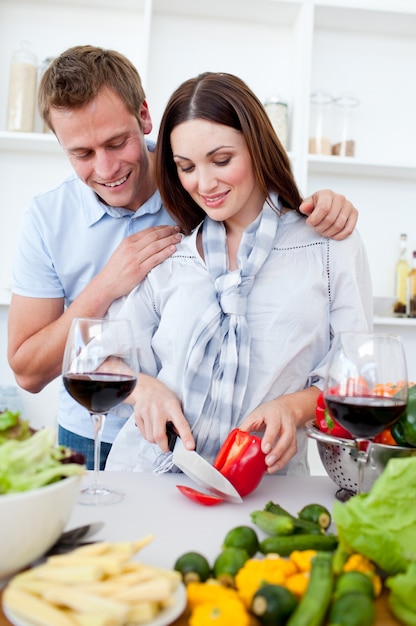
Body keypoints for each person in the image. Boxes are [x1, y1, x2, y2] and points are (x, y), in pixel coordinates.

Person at [7, 46, 360, 471]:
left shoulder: (302, 239)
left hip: (248, 469)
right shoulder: (52, 218)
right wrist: (109, 287)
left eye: (117, 142)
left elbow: (350, 372)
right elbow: (34, 370)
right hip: (102, 434)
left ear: (143, 117)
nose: (105, 168)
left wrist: (324, 205)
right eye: (82, 154)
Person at [104, 71, 373, 476]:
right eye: (186, 166)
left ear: (257, 147)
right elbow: (97, 357)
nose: (204, 183)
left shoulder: (328, 245)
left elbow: (358, 375)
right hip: (148, 475)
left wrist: (293, 408)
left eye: (222, 160)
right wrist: (144, 390)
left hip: (264, 485)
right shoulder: (169, 256)